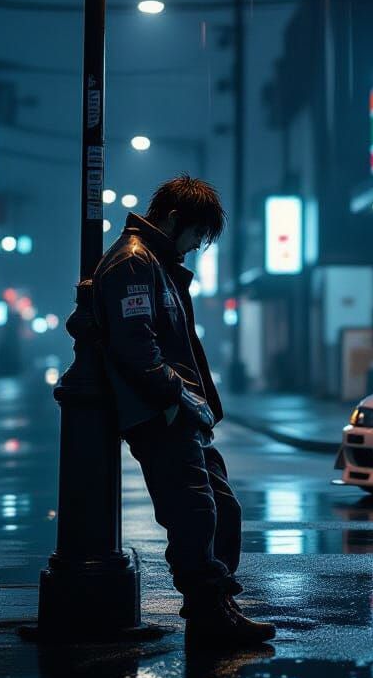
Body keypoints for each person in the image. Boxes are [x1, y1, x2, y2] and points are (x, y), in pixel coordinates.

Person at [92, 174, 275, 648]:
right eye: (196, 235)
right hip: (162, 416)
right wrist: (177, 400)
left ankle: (215, 605)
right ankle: (210, 613)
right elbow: (138, 349)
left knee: (221, 509)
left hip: (181, 414)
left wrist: (194, 406)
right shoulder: (134, 263)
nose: (195, 247)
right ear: (175, 220)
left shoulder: (157, 263)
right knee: (194, 512)